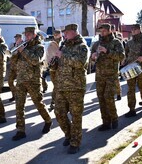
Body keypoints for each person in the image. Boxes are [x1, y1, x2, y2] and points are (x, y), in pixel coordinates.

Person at [52, 24, 89, 154]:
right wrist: (55, 61)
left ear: (73, 32)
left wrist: (63, 56)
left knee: (76, 116)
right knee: (59, 113)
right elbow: (59, 64)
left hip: (75, 86)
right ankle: (68, 134)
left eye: (66, 32)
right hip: (61, 86)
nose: (64, 35)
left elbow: (80, 63)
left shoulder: (82, 46)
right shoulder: (64, 45)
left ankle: (75, 142)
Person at [12, 27, 52, 141]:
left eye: (29, 35)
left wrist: (23, 51)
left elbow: (35, 60)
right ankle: (20, 130)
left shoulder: (39, 47)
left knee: (38, 103)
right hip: (20, 80)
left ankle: (48, 120)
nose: (26, 37)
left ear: (34, 35)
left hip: (33, 81)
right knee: (19, 106)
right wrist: (16, 50)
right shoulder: (23, 47)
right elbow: (14, 62)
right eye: (26, 35)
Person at [91, 24, 125, 131]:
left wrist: (107, 51)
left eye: (104, 31)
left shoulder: (116, 42)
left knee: (108, 97)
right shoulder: (97, 43)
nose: (102, 33)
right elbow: (92, 59)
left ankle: (114, 118)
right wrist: (93, 57)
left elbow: (121, 56)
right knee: (101, 98)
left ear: (110, 31)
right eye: (101, 31)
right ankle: (106, 122)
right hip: (100, 75)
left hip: (111, 75)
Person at [48, 29, 63, 111]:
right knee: (56, 86)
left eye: (59, 34)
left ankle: (54, 102)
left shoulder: (62, 43)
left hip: (60, 69)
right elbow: (51, 56)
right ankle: (53, 102)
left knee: (58, 86)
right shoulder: (52, 45)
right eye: (56, 35)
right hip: (53, 69)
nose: (58, 36)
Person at [8, 33, 23, 102]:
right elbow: (10, 53)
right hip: (12, 67)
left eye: (17, 38)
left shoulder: (24, 45)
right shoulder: (13, 45)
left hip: (20, 67)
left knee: (19, 84)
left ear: (21, 38)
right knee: (10, 82)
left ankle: (20, 96)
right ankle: (14, 95)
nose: (16, 39)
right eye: (15, 38)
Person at [111, 24, 124, 100]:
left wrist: (122, 60)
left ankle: (118, 93)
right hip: (107, 62)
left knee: (116, 78)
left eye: (113, 29)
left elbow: (122, 50)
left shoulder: (118, 38)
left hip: (115, 60)